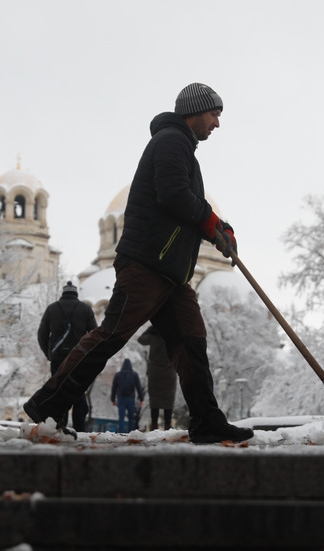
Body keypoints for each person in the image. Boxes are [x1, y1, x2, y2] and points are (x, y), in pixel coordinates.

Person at [24, 82, 254, 444]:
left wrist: (217, 228)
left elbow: (183, 201)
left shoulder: (183, 149)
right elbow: (174, 195)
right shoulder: (170, 142)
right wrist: (211, 222)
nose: (217, 123)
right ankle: (48, 404)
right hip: (148, 264)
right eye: (214, 114)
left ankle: (207, 420)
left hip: (171, 274)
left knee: (190, 342)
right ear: (194, 112)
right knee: (111, 335)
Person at [36, 281, 98, 431]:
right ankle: (80, 429)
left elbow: (41, 335)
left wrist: (49, 354)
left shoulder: (52, 309)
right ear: (76, 294)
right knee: (77, 392)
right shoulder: (85, 309)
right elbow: (95, 334)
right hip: (78, 359)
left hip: (57, 359)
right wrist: (88, 356)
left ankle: (60, 428)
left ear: (63, 293)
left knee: (59, 392)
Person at [138, 325, 177, 430]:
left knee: (154, 400)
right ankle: (167, 426)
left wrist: (151, 329)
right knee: (168, 400)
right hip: (170, 372)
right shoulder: (173, 336)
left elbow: (140, 339)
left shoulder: (152, 337)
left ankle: (154, 425)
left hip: (155, 372)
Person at [110, 359, 144, 433]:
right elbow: (138, 387)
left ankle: (121, 432)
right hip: (130, 398)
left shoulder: (118, 375)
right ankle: (130, 432)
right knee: (131, 417)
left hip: (121, 398)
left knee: (121, 417)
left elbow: (114, 388)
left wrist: (113, 399)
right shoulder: (134, 375)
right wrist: (141, 399)